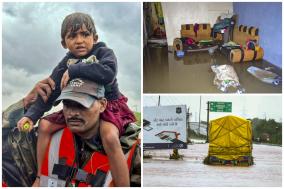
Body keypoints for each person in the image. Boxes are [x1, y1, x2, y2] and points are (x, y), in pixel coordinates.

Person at [17, 12, 136, 187]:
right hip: (77, 101)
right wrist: (31, 116)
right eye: (72, 36)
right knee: (44, 125)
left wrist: (75, 70)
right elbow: (50, 90)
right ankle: (40, 176)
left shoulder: (103, 52)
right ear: (64, 43)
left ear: (95, 38)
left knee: (109, 136)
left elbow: (109, 73)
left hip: (109, 105)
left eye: (85, 34)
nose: (79, 40)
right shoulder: (64, 63)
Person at [2, 78, 141, 187]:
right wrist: (25, 103)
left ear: (102, 105)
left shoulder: (133, 152)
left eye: (81, 105)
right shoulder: (46, 139)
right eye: (68, 104)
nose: (73, 113)